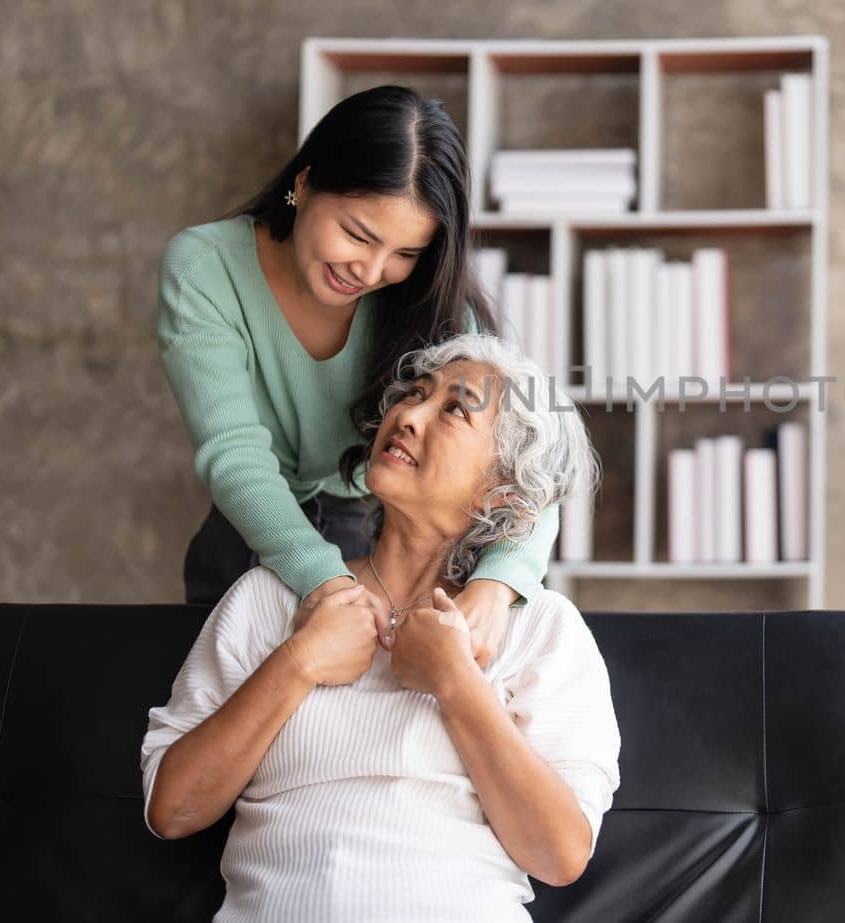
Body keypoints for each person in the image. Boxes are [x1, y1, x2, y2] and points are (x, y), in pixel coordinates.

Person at [141, 334, 618, 922]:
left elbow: (560, 855)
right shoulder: (269, 599)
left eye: (454, 410)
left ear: (501, 489)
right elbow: (174, 810)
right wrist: (298, 662)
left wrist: (456, 684)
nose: (408, 416)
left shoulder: (541, 628)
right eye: (413, 394)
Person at [158, 84, 556, 666]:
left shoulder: (432, 305)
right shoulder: (203, 268)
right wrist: (327, 581)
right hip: (250, 531)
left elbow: (535, 471)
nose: (370, 272)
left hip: (382, 536)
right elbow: (234, 454)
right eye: (357, 235)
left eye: (405, 253)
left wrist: (498, 585)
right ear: (303, 182)